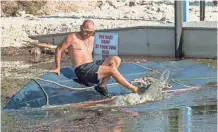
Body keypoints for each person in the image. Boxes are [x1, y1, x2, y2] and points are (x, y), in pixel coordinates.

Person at [51, 19, 144, 97]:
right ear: (81, 28)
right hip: (82, 69)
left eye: (91, 32)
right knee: (112, 70)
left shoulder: (92, 38)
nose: (88, 34)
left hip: (92, 65)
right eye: (86, 31)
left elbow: (98, 52)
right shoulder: (72, 37)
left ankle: (102, 86)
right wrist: (57, 67)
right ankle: (135, 89)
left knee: (116, 59)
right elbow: (59, 49)